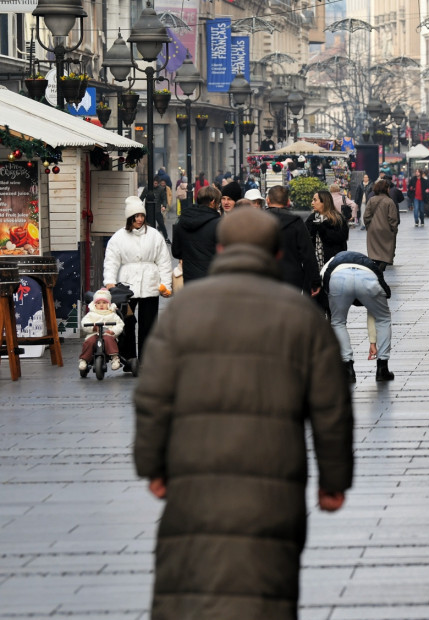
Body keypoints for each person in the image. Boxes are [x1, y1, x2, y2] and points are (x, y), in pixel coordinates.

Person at [133, 207, 353, 618]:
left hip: (193, 478)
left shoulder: (183, 311)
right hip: (274, 483)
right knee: (266, 585)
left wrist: (153, 466)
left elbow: (153, 397)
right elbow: (331, 408)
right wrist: (334, 480)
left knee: (187, 583)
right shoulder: (301, 317)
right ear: (276, 255)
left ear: (219, 249)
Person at [103, 196, 173, 369]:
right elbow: (111, 260)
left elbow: (164, 261)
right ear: (129, 218)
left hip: (150, 284)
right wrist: (110, 282)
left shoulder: (154, 235)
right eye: (136, 216)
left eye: (142, 215)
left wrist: (166, 284)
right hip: (127, 286)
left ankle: (147, 359)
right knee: (126, 322)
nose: (139, 219)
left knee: (148, 324)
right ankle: (129, 359)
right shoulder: (119, 237)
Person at [322, 250, 394, 383]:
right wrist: (373, 341)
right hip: (367, 276)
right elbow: (374, 308)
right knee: (383, 318)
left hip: (338, 277)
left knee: (338, 322)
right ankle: (382, 368)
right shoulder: (369, 263)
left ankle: (347, 368)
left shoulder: (330, 262)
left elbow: (323, 287)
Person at [266, 185, 322, 296]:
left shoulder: (257, 220)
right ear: (287, 201)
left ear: (268, 200)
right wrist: (314, 281)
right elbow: (308, 254)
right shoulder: (296, 223)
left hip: (264, 276)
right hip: (291, 278)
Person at [172, 184, 221, 283]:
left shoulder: (183, 221)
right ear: (213, 202)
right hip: (212, 279)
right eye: (218, 203)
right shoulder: (218, 224)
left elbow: (176, 252)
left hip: (190, 279)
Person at [78, 288, 124, 372]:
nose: (101, 305)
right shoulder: (91, 314)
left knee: (109, 339)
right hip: (94, 334)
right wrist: (93, 327)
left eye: (104, 303)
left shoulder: (112, 314)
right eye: (98, 303)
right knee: (89, 342)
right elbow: (84, 322)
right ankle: (84, 360)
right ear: (95, 304)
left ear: (109, 304)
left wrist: (113, 331)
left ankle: (114, 358)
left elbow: (120, 324)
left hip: (107, 333)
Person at [306, 190, 349, 274]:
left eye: (315, 200)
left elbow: (341, 238)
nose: (312, 203)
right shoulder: (312, 218)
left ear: (324, 202)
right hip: (314, 264)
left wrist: (323, 228)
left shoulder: (337, 219)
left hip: (333, 264)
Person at [361, 178, 400, 270]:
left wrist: (368, 226)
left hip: (373, 229)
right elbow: (393, 218)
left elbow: (366, 216)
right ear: (386, 189)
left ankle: (376, 263)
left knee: (375, 249)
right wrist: (394, 229)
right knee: (386, 248)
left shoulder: (371, 200)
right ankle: (383, 263)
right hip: (386, 229)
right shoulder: (389, 201)